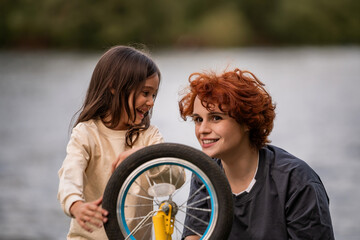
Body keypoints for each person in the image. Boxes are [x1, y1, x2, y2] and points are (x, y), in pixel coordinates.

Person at [179, 68, 335, 239]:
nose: (203, 130)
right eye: (198, 120)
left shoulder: (297, 181)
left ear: (247, 122)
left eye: (216, 118)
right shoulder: (204, 175)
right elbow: (194, 235)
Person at [57, 45, 184, 239]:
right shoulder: (87, 133)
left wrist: (143, 156)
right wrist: (75, 204)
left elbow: (178, 177)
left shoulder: (149, 136)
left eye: (154, 95)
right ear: (114, 87)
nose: (151, 102)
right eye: (145, 93)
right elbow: (70, 172)